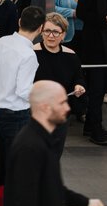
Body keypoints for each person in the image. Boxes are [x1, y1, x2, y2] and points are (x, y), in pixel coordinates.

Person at [4, 81, 106, 206]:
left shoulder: (44, 139)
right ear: (45, 107)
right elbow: (23, 205)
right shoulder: (29, 147)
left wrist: (86, 203)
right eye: (61, 103)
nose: (67, 108)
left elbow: (52, 188)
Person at [0, 6, 45, 173]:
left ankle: (1, 199)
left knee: (0, 168)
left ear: (19, 22)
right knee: (19, 169)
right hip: (18, 116)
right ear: (40, 29)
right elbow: (24, 91)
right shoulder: (28, 54)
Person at [34, 13, 87, 154]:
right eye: (47, 31)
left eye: (56, 32)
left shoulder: (71, 56)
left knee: (55, 154)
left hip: (60, 113)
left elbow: (79, 78)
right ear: (41, 31)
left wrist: (79, 86)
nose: (51, 36)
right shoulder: (31, 53)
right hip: (35, 112)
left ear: (63, 35)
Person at [76, 0, 107, 146]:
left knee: (103, 86)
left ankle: (91, 124)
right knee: (96, 89)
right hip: (95, 45)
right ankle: (95, 128)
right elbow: (82, 13)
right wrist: (104, 19)